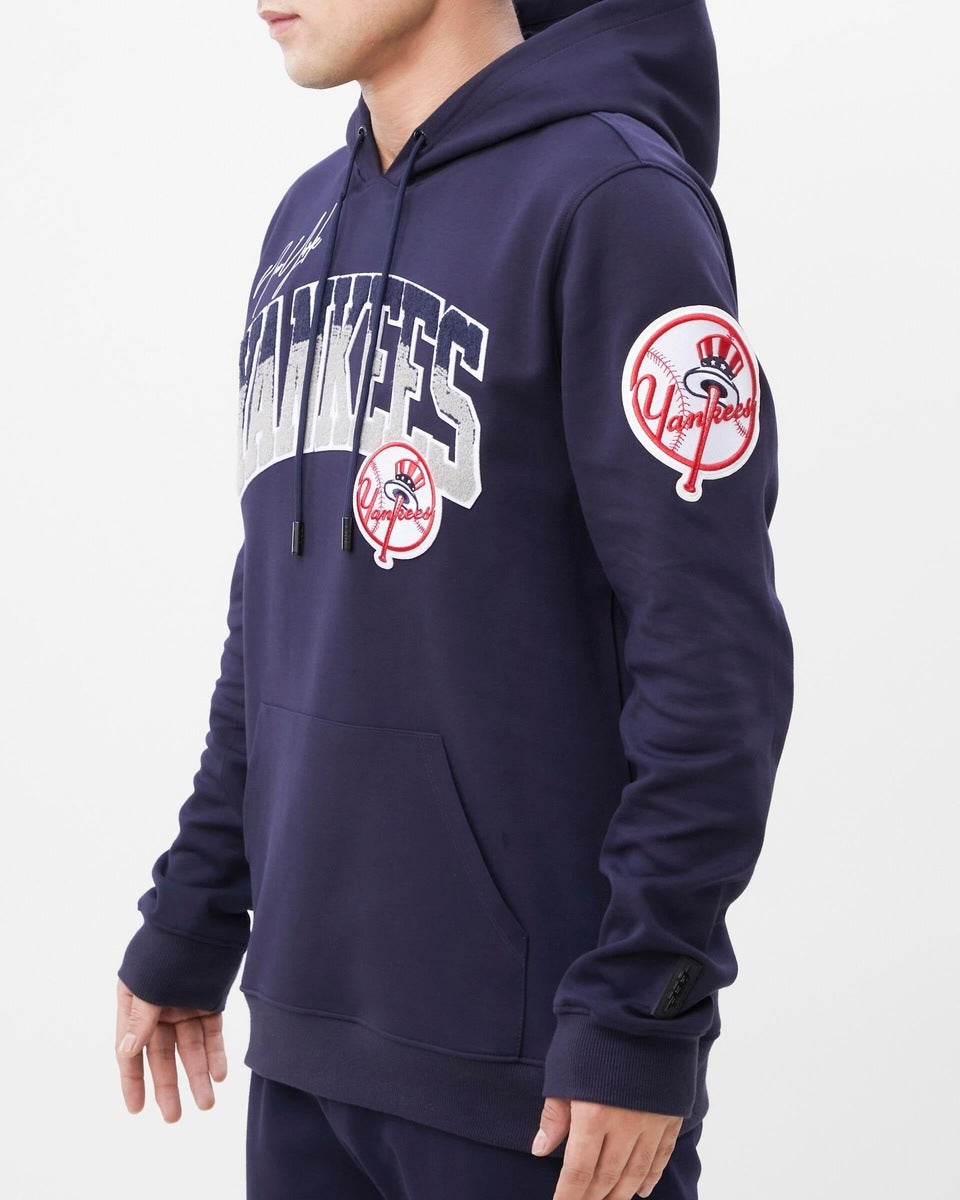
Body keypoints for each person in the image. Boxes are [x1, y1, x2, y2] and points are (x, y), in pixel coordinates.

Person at [115, 1, 794, 1196]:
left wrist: (650, 1005)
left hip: (539, 1085)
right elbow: (275, 618)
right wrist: (196, 910)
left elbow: (712, 656)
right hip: (308, 1045)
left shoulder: (614, 203)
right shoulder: (303, 225)